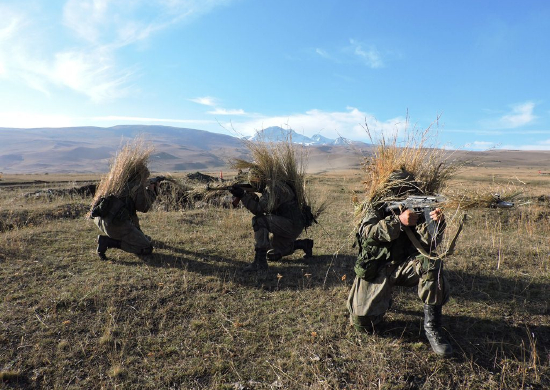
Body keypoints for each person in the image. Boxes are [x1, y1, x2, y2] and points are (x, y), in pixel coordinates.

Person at [346, 169, 453, 357]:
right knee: (362, 324)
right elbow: (367, 232)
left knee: (432, 263)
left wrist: (436, 223)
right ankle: (383, 301)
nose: (402, 193)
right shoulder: (375, 204)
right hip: (378, 267)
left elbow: (429, 244)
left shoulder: (421, 206)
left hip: (406, 266)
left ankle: (432, 328)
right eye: (398, 189)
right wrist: (398, 221)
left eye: (406, 189)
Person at [230, 175, 313, 272]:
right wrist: (249, 195)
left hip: (291, 225)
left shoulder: (274, 188)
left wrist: (243, 196)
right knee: (272, 254)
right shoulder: (276, 184)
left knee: (259, 221)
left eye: (254, 182)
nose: (253, 184)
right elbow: (263, 204)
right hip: (291, 224)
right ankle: (302, 244)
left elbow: (259, 210)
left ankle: (259, 263)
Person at [91, 168, 159, 260]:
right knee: (147, 248)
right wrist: (152, 191)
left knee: (146, 238)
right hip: (116, 225)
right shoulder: (135, 187)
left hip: (101, 221)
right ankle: (108, 242)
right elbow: (144, 207)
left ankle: (119, 238)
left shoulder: (114, 183)